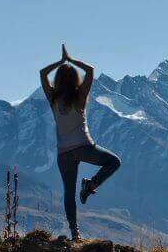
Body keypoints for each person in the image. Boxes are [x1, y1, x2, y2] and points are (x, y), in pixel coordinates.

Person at [40, 45, 121, 241]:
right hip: (84, 147)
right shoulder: (80, 97)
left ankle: (75, 233)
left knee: (68, 192)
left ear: (58, 80)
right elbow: (91, 71)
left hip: (64, 154)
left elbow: (42, 73)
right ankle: (90, 185)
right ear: (75, 79)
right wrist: (72, 60)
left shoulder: (53, 98)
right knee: (114, 162)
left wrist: (60, 62)